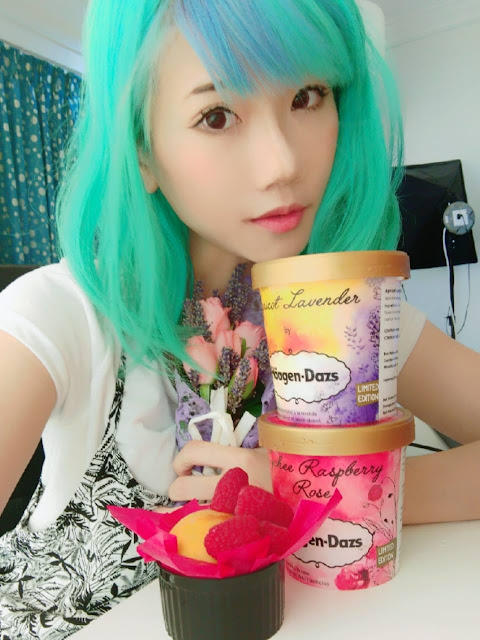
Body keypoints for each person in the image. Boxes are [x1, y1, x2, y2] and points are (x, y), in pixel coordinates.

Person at [0, 0, 478, 636]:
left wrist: (305, 490)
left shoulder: (352, 316)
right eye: (217, 115)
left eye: (307, 96)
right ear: (142, 151)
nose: (283, 163)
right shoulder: (64, 314)